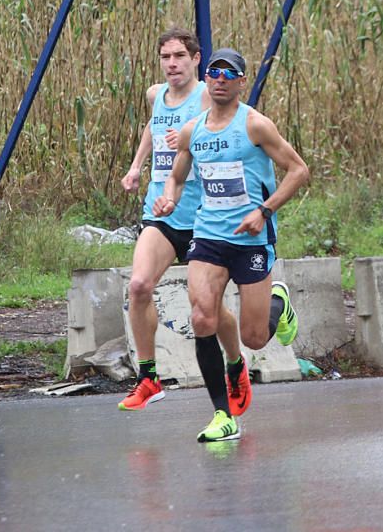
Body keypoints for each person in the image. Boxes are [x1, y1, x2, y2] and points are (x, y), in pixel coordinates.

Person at [154, 48, 310, 442]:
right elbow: (176, 175)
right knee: (202, 317)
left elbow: (298, 170)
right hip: (208, 235)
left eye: (229, 74)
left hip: (252, 240)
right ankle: (223, 415)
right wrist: (170, 197)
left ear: (242, 81)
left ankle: (279, 302)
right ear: (206, 79)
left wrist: (265, 210)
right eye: (214, 73)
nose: (220, 79)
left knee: (254, 336)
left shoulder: (256, 126)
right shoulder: (193, 131)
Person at [117, 27, 211, 411]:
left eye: (179, 56)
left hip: (204, 215)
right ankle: (148, 377)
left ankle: (271, 302)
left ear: (195, 59)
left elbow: (229, 132)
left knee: (205, 308)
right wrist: (136, 166)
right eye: (166, 57)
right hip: (160, 212)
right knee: (139, 285)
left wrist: (190, 139)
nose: (172, 64)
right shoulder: (156, 95)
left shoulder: (207, 94)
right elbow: (151, 129)